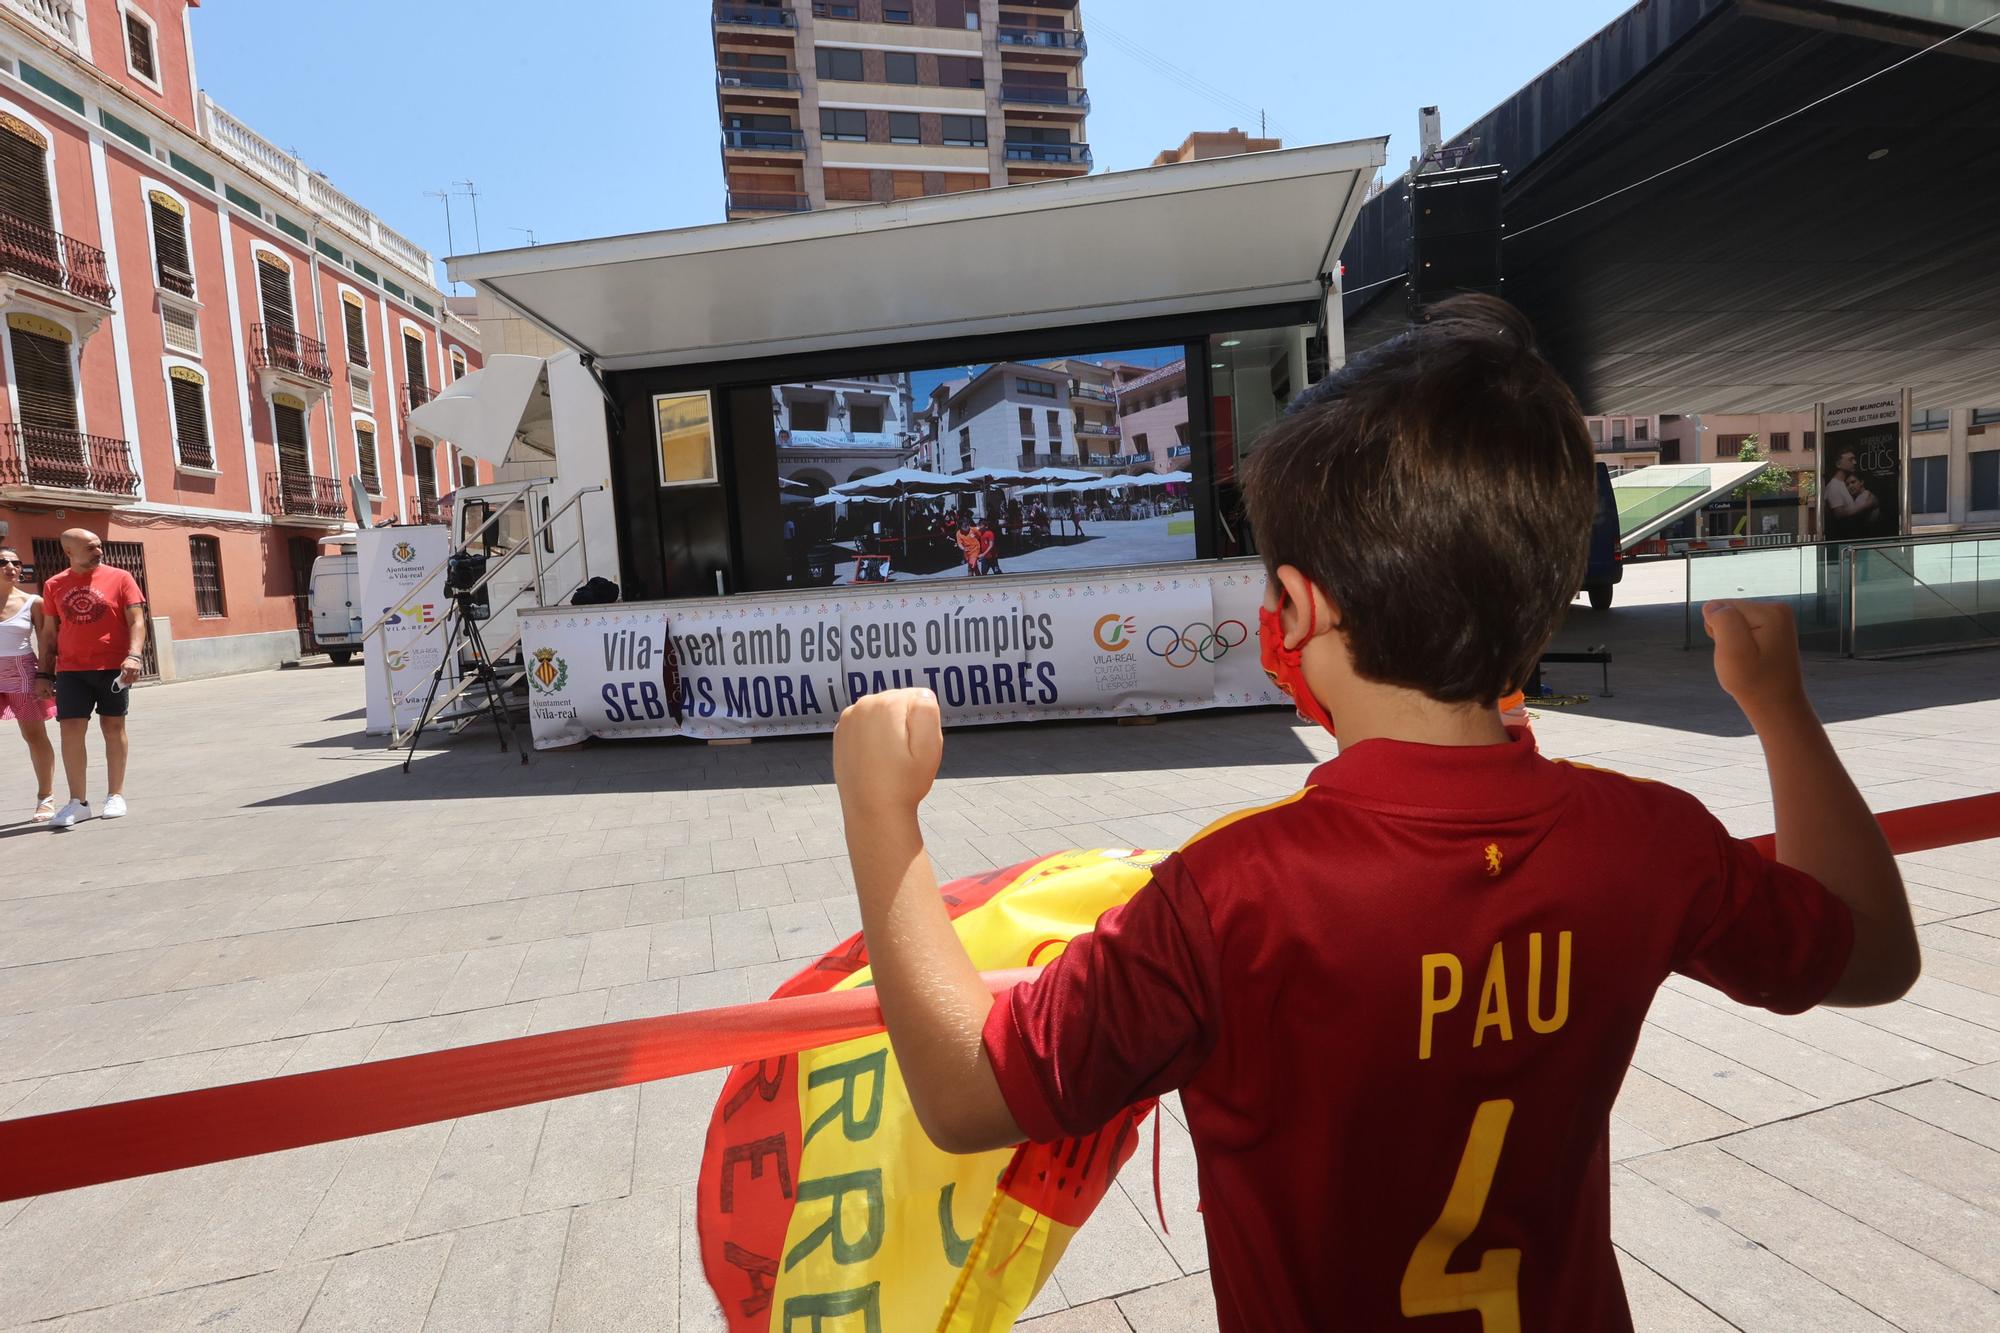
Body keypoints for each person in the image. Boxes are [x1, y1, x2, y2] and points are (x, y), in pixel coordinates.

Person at [829, 295, 1916, 1331]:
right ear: (1539, 602)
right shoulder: (1646, 841)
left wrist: (882, 818)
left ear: (1296, 608)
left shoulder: (1228, 896)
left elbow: (971, 1092)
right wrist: (1777, 709)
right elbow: (1870, 955)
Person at [33, 528, 147, 829]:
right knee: (70, 731)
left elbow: (136, 620)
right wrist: (44, 672)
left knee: (113, 726)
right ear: (69, 552)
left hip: (112, 666)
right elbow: (48, 632)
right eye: (90, 547)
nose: (98, 551)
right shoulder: (54, 584)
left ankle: (115, 795)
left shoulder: (121, 578)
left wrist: (134, 655)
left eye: (99, 546)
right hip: (71, 670)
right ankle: (77, 802)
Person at [0, 548, 56, 821]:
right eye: (3, 562)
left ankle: (45, 797)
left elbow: (47, 641)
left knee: (34, 736)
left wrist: (45, 675)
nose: (10, 567)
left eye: (15, 562)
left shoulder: (33, 601)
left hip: (21, 672)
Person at [1821, 448, 1877, 540]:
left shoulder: (1843, 484)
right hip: (1843, 539)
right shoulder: (1834, 486)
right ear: (1838, 464)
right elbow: (1839, 513)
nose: (1854, 462)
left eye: (1854, 459)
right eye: (1850, 459)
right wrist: (1867, 505)